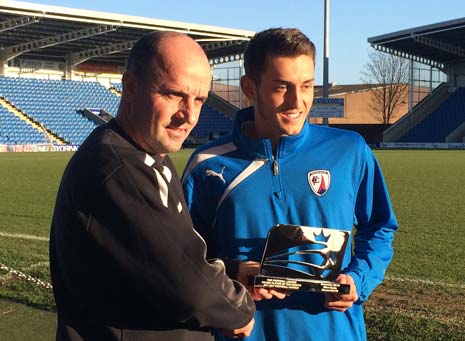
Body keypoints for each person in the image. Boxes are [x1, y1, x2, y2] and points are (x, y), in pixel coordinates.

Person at [182, 28, 398, 341]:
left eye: (307, 86)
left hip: (334, 331)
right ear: (249, 88)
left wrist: (358, 278)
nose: (297, 101)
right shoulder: (208, 165)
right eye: (282, 87)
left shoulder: (349, 151)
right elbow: (182, 257)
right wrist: (231, 271)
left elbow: (379, 227)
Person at [49, 31, 255, 341]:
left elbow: (166, 255)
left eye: (199, 99)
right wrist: (239, 308)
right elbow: (190, 287)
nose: (188, 115)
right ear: (130, 86)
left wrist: (232, 271)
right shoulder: (119, 167)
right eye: (174, 94)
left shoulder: (150, 156)